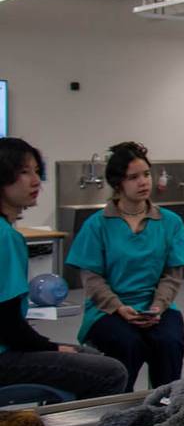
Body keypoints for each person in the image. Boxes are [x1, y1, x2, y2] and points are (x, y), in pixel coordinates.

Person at [0, 138, 128, 399]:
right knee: (111, 372)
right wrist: (53, 348)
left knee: (89, 358)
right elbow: (7, 324)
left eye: (37, 171)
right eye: (24, 172)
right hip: (5, 358)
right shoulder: (5, 237)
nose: (36, 181)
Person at [66, 142, 184, 390]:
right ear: (118, 184)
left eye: (146, 174)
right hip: (108, 310)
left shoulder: (170, 222)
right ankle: (118, 409)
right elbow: (92, 279)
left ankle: (163, 409)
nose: (143, 182)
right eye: (133, 177)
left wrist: (158, 306)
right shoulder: (98, 225)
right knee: (128, 344)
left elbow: (172, 275)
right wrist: (118, 308)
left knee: (170, 341)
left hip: (155, 306)